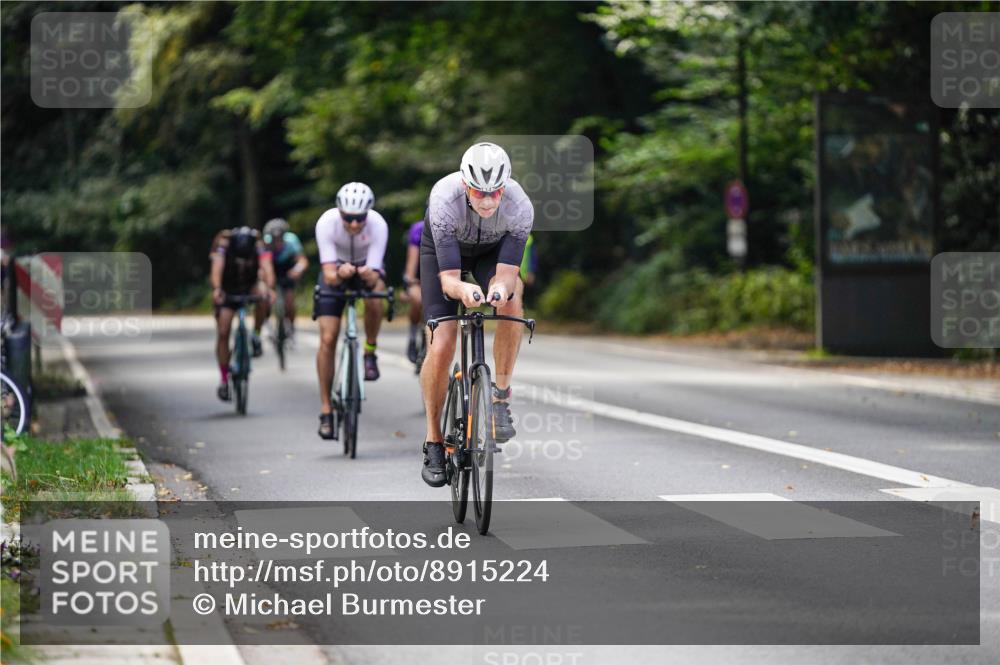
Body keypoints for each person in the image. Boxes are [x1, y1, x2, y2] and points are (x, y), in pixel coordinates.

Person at [418, 142, 534, 487]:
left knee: (511, 300)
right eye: (479, 191)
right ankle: (434, 441)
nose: (487, 200)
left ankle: (499, 395)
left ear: (506, 186)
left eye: (495, 192)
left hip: (490, 253)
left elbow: (508, 273)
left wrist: (498, 289)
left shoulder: (520, 206)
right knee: (441, 345)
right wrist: (464, 290)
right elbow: (450, 280)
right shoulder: (443, 199)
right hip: (444, 255)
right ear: (465, 184)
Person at [313, 182, 389, 439]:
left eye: (359, 218)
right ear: (339, 212)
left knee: (376, 296)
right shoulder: (326, 223)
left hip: (366, 270)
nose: (354, 224)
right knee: (328, 338)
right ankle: (326, 410)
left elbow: (375, 275)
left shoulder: (378, 225)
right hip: (335, 271)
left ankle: (370, 351)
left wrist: (369, 274)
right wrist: (338, 273)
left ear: (367, 213)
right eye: (348, 218)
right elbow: (328, 275)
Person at [209, 226, 276, 401]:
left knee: (263, 297)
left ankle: (256, 334)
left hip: (249, 286)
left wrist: (269, 288)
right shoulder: (224, 245)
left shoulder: (258, 246)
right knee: (223, 332)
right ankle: (224, 379)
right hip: (228, 289)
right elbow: (217, 267)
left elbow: (267, 266)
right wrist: (217, 289)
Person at [263, 218, 308, 342]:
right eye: (274, 239)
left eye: (280, 239)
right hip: (271, 268)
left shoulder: (292, 240)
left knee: (290, 301)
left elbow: (302, 260)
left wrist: (297, 270)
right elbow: (264, 264)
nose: (277, 242)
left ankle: (291, 328)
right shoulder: (266, 243)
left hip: (287, 270)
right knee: (266, 296)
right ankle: (266, 322)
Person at [402, 219, 424, 363]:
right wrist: (409, 283)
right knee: (418, 300)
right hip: (418, 276)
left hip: (441, 275)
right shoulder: (419, 228)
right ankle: (412, 337)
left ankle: (426, 340)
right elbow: (412, 260)